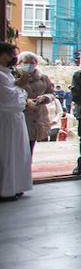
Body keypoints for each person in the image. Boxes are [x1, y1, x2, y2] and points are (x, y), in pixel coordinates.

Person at [0, 43, 33, 201]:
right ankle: (6, 189)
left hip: (15, 118)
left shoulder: (7, 74)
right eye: (11, 54)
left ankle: (16, 185)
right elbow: (9, 98)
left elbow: (19, 96)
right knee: (8, 154)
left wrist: (20, 88)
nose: (14, 58)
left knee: (18, 153)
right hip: (6, 119)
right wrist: (20, 87)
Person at [14, 52, 57, 151]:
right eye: (26, 62)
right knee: (18, 148)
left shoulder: (43, 78)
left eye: (32, 63)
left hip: (38, 116)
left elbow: (51, 93)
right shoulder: (14, 76)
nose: (29, 65)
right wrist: (26, 101)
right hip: (21, 115)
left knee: (30, 146)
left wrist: (45, 98)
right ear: (19, 63)